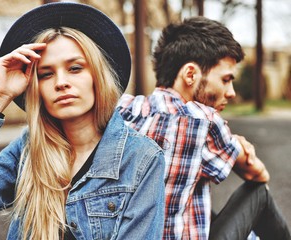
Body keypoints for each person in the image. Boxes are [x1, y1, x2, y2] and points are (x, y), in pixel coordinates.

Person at [0, 2, 165, 240]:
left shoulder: (141, 159)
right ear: (37, 88)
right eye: (46, 74)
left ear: (97, 76)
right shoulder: (29, 150)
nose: (61, 82)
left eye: (75, 68)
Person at [117, 16, 291, 240]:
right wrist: (236, 143)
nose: (231, 92)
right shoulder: (201, 121)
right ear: (190, 74)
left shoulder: (126, 108)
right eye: (226, 79)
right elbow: (257, 174)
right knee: (259, 195)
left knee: (191, 197)